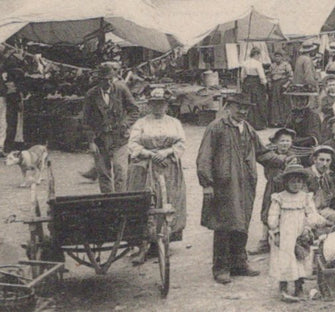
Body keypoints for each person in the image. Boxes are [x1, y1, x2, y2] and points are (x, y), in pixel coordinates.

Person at [197, 93, 286, 284]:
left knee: (242, 221)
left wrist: (282, 161)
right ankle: (221, 268)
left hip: (245, 183)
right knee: (224, 225)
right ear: (229, 107)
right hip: (224, 185)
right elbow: (204, 157)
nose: (243, 112)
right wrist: (207, 183)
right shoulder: (216, 128)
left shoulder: (247, 128)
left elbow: (262, 153)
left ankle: (239, 263)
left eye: (246, 108)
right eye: (239, 107)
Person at [127, 88, 188, 263]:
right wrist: (150, 154)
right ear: (149, 105)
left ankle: (163, 242)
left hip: (168, 167)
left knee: (167, 201)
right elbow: (133, 144)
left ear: (167, 105)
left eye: (161, 104)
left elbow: (181, 142)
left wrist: (167, 152)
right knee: (145, 204)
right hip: (145, 168)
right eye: (154, 104)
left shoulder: (174, 122)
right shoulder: (141, 123)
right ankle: (143, 246)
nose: (158, 107)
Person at [267, 163, 325, 303]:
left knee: (301, 258)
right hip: (285, 234)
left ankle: (299, 287)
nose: (296, 184)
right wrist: (276, 231)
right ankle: (284, 288)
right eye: (292, 181)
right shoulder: (279, 198)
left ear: (303, 183)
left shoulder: (305, 197)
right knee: (285, 260)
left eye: (299, 181)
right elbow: (273, 216)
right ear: (286, 182)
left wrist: (308, 228)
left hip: (300, 232)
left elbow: (311, 214)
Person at [82, 61, 139, 194]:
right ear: (98, 80)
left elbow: (134, 110)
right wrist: (91, 142)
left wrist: (125, 124)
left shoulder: (121, 89)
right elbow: (86, 121)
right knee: (104, 173)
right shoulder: (91, 95)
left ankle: (121, 200)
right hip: (100, 140)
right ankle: (108, 203)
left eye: (109, 79)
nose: (107, 83)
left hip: (120, 138)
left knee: (120, 171)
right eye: (103, 80)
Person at [252, 127, 299, 253]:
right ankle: (264, 241)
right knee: (267, 211)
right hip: (272, 187)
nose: (285, 144)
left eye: (288, 141)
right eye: (282, 141)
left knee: (285, 213)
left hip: (285, 188)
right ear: (276, 142)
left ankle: (286, 241)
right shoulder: (270, 156)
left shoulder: (292, 156)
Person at [305, 145, 335, 225]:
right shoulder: (306, 175)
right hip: (308, 213)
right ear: (314, 160)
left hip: (324, 211)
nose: (325, 164)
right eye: (321, 160)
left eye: (328, 160)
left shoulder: (327, 177)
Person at [242, 47, 270, 130]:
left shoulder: (245, 63)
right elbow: (262, 76)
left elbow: (242, 75)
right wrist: (265, 84)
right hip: (256, 83)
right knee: (258, 103)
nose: (259, 57)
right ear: (256, 54)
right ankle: (258, 124)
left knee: (248, 102)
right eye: (259, 55)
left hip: (247, 83)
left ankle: (248, 124)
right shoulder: (257, 64)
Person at [267, 51, 293, 128]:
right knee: (274, 104)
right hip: (275, 85)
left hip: (283, 85)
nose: (277, 58)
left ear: (282, 57)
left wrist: (286, 85)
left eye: (279, 56)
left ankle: (284, 121)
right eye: (276, 56)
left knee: (284, 103)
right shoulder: (272, 66)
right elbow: (269, 75)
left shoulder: (286, 65)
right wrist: (269, 83)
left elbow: (291, 77)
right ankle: (275, 121)